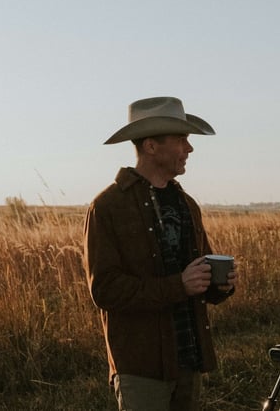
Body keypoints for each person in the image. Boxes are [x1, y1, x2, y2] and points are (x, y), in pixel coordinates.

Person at [84, 96, 238, 411]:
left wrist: (220, 285)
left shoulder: (186, 204)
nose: (189, 149)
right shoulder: (108, 207)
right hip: (142, 366)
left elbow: (199, 277)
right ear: (152, 146)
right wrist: (177, 285)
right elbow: (105, 290)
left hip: (189, 358)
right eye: (182, 139)